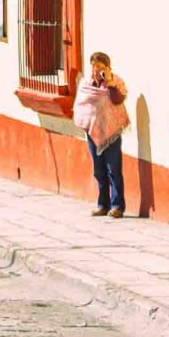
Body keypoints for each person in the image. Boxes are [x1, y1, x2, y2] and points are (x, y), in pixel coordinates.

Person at [73, 51, 131, 219]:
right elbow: (81, 104)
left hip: (111, 132)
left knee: (113, 169)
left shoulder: (115, 81)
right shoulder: (86, 83)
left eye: (100, 66)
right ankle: (102, 204)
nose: (96, 69)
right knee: (98, 170)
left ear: (107, 67)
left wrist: (111, 83)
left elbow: (118, 99)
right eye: (94, 65)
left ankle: (117, 205)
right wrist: (87, 123)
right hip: (92, 131)